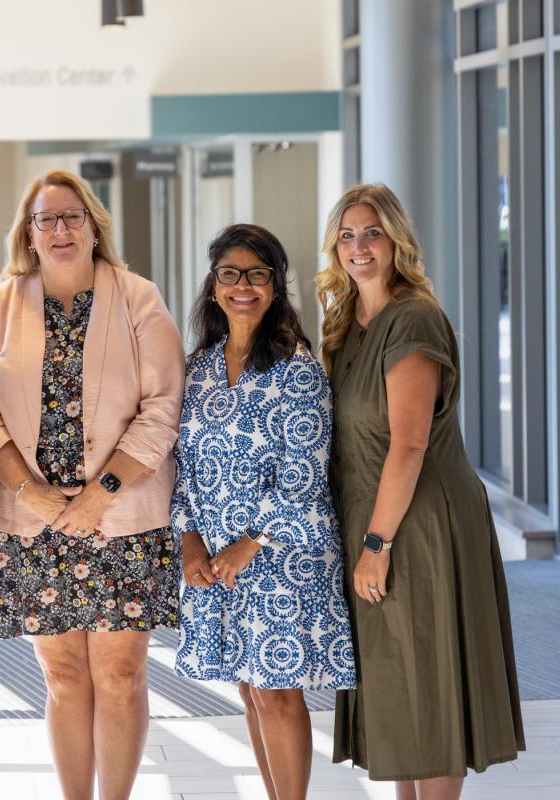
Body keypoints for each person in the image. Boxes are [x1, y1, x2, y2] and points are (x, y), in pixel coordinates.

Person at [0, 170, 185, 800]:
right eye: (46, 220)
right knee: (61, 676)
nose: (60, 230)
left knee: (119, 673)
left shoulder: (138, 296)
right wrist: (31, 492)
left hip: (123, 518)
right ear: (29, 235)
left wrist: (99, 493)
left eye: (72, 218)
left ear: (94, 226)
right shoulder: (0, 303)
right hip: (33, 521)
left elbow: (164, 404)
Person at [319, 184, 525, 799]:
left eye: (372, 233)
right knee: (398, 682)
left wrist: (378, 542)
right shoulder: (345, 320)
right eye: (347, 234)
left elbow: (408, 445)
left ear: (396, 240)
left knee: (429, 678)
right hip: (373, 513)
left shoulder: (413, 316)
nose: (359, 247)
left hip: (418, 520)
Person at [172, 224, 356, 800]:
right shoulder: (197, 367)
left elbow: (305, 473)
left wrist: (248, 543)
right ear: (213, 285)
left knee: (278, 692)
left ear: (277, 285)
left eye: (257, 274)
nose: (243, 285)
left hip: (281, 554)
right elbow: (184, 465)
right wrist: (191, 541)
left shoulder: (296, 369)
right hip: (218, 559)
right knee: (250, 690)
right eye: (230, 273)